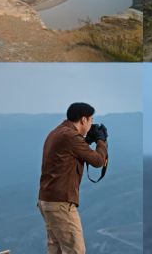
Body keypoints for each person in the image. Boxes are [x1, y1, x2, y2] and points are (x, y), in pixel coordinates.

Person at [38, 102, 108, 254]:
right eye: (91, 120)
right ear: (83, 119)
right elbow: (98, 161)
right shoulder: (70, 136)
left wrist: (86, 141)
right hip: (60, 203)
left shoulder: (58, 132)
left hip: (47, 201)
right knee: (76, 251)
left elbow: (70, 151)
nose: (91, 124)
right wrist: (101, 140)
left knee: (56, 249)